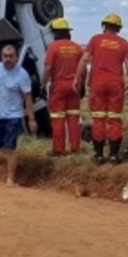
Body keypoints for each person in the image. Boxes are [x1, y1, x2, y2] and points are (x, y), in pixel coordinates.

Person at [74, 13, 128, 165]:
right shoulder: (123, 43)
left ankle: (99, 156)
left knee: (98, 118)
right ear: (119, 28)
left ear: (104, 26)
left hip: (97, 83)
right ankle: (114, 156)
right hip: (116, 84)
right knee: (115, 119)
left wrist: (77, 78)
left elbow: (84, 60)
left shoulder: (95, 40)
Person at [0, 44, 37, 186]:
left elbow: (28, 97)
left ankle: (10, 178)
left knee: (10, 147)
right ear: (1, 57)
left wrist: (31, 119)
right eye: (5, 56)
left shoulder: (22, 74)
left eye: (11, 56)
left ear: (16, 57)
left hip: (14, 116)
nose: (8, 59)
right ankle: (5, 164)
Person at [44, 18, 84, 156]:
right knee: (73, 118)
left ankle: (59, 150)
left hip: (58, 86)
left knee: (58, 118)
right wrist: (82, 85)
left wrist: (42, 85)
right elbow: (84, 69)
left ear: (55, 33)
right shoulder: (77, 47)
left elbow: (48, 68)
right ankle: (75, 148)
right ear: (68, 32)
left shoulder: (52, 47)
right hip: (75, 86)